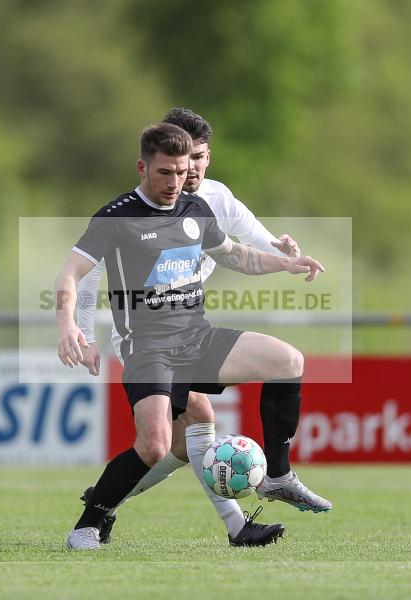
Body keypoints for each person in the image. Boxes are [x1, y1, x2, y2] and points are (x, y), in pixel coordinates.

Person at [56, 123, 327, 550]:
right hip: (148, 348)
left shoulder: (195, 209)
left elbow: (236, 254)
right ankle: (88, 525)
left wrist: (285, 264)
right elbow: (72, 273)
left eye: (182, 172)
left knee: (288, 361)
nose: (175, 182)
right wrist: (71, 326)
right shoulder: (115, 217)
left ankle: (276, 477)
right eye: (165, 172)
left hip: (197, 339)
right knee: (155, 445)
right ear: (142, 167)